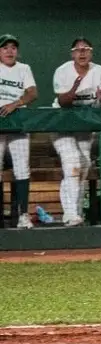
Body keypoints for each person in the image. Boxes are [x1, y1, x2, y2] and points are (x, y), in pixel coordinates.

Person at [52, 37, 101, 227]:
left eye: (86, 49)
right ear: (72, 53)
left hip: (85, 125)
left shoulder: (98, 70)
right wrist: (74, 88)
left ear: (91, 53)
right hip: (62, 125)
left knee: (82, 168)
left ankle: (76, 213)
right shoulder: (62, 71)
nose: (82, 53)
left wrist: (100, 99)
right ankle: (69, 214)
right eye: (78, 50)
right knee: (72, 163)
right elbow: (63, 102)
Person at [0, 34, 37, 229]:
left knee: (22, 168)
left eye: (13, 47)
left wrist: (16, 103)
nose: (9, 51)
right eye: (5, 47)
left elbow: (33, 92)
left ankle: (23, 215)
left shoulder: (24, 69)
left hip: (18, 123)